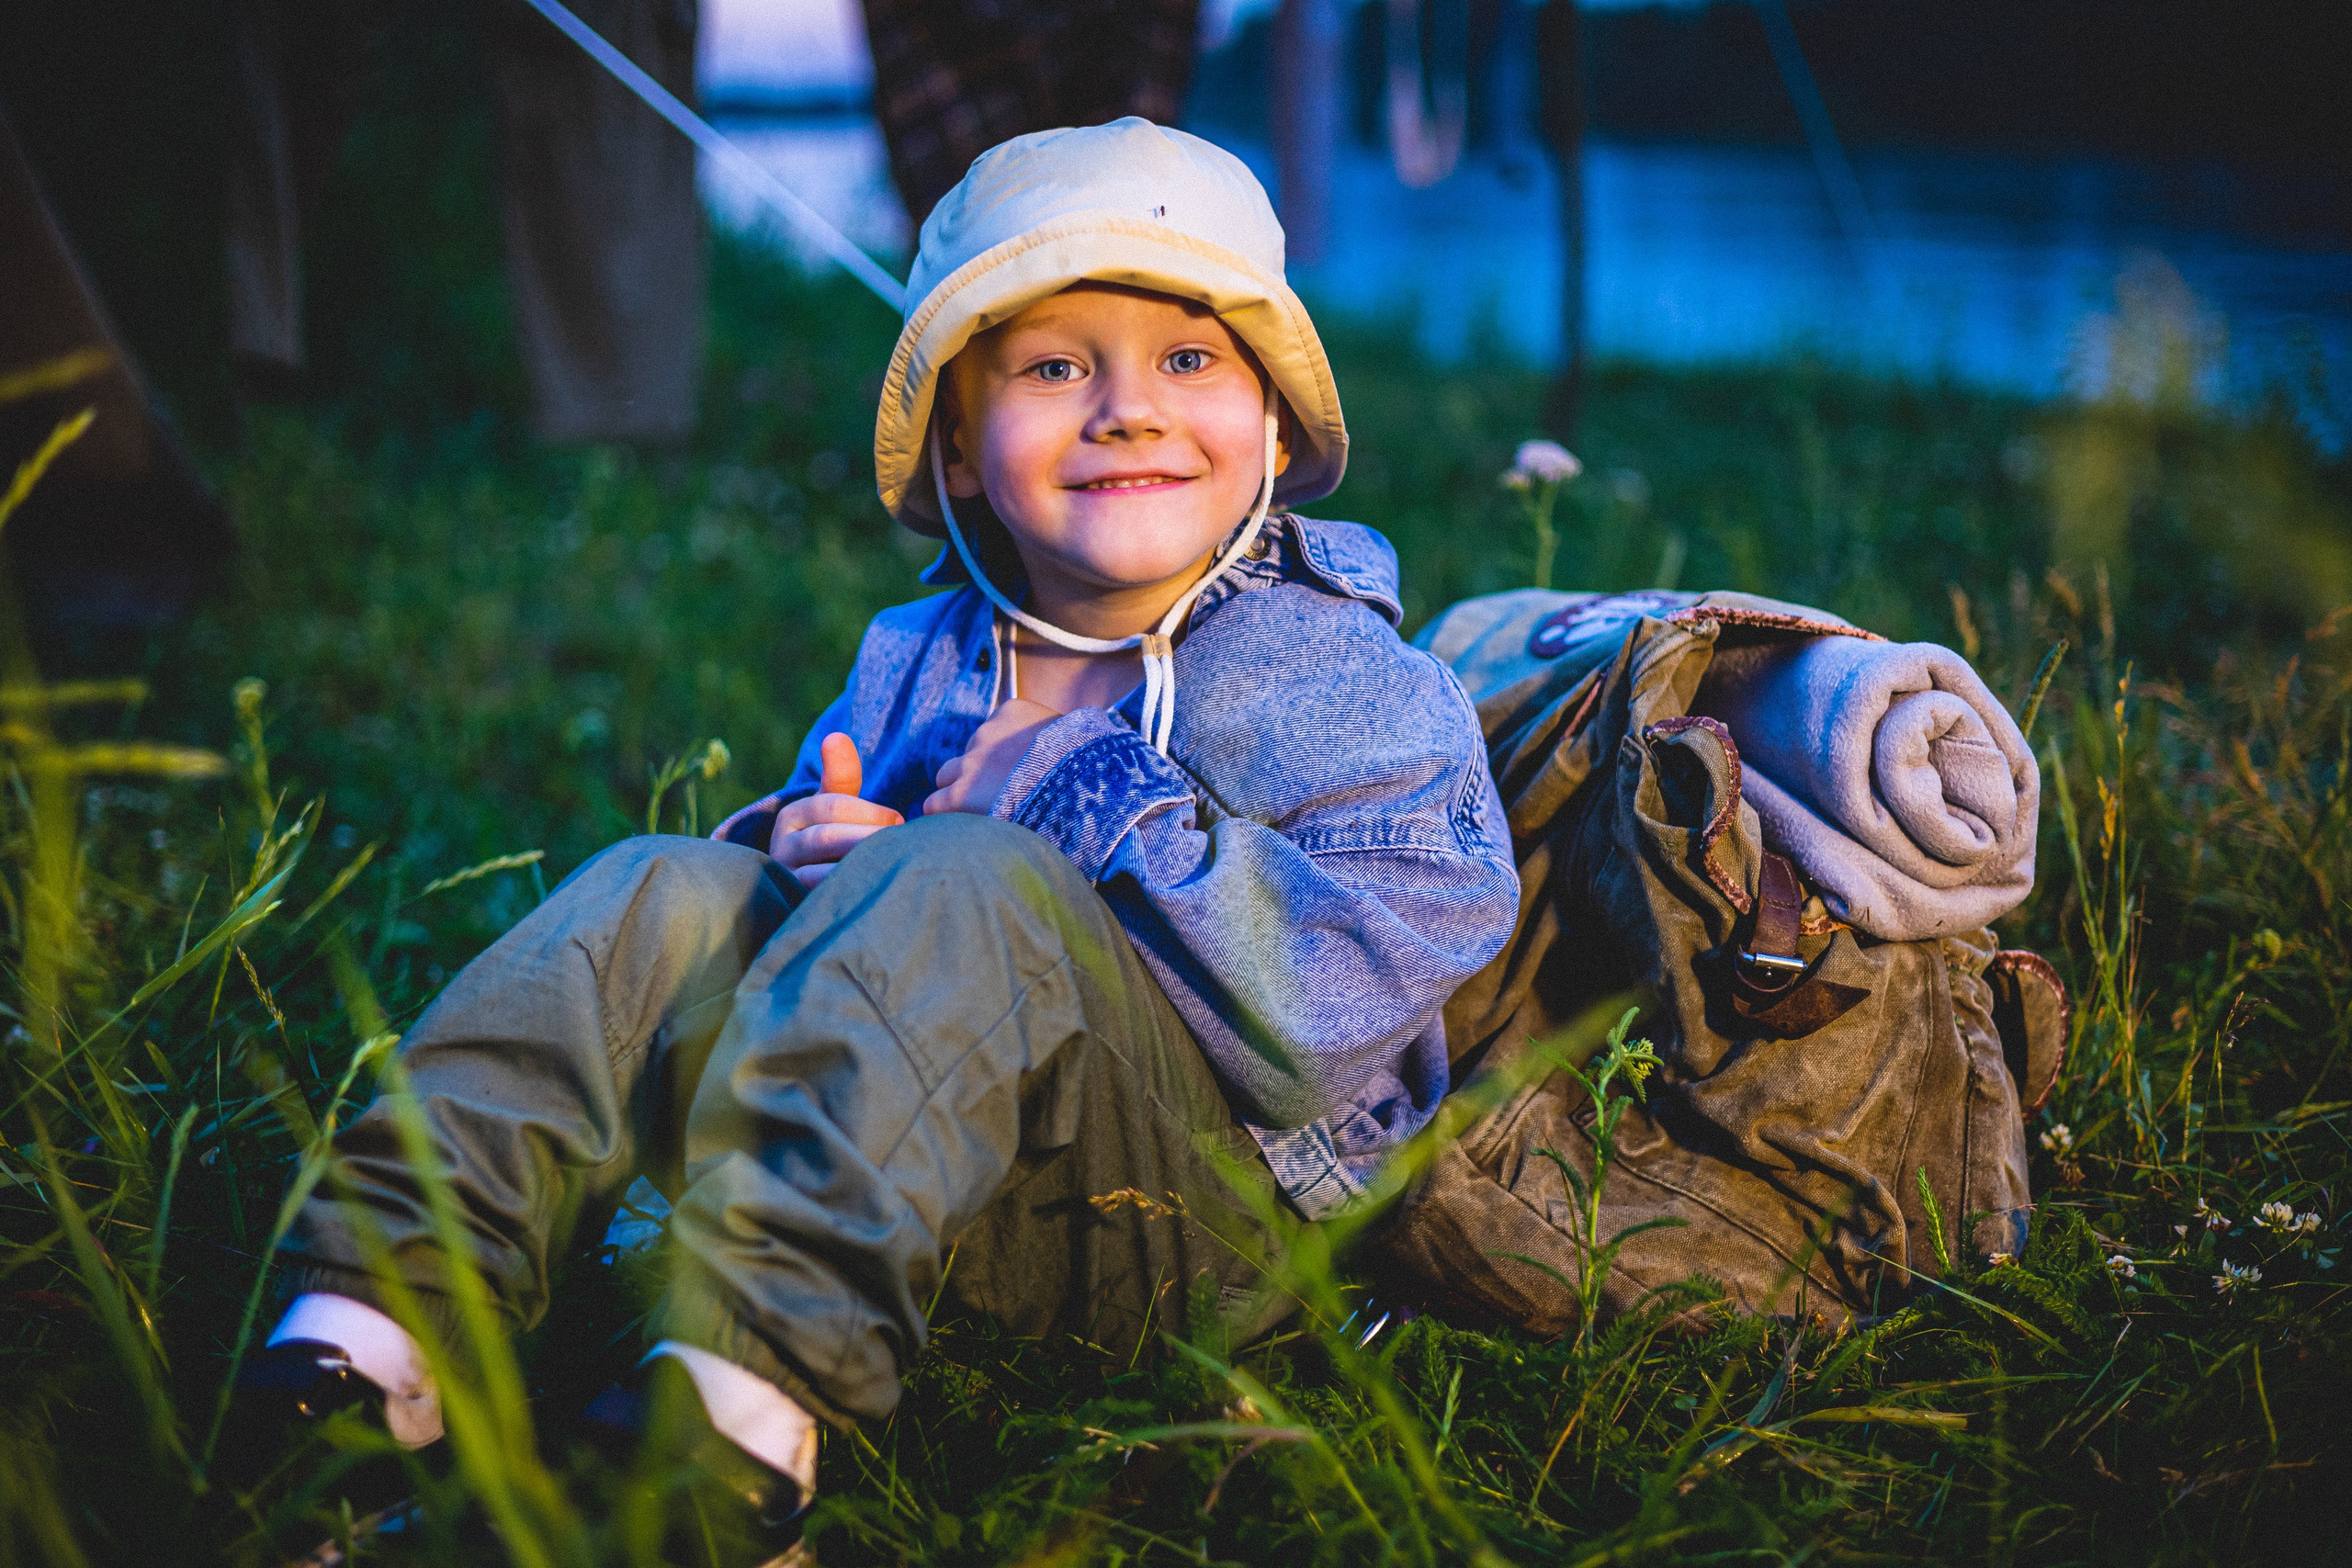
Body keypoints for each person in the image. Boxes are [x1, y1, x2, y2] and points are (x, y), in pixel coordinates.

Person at [236, 118, 1518, 1562]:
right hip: (920, 1179)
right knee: (674, 886)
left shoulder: (1340, 679)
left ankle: (731, 1425)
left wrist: (1079, 793)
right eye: (1051, 367)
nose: (1127, 410)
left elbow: (1324, 1020)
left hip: (1195, 1225)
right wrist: (806, 854)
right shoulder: (916, 659)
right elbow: (806, 926)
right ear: (963, 449)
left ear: (1275, 432)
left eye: (1189, 359)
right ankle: (357, 1346)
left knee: (970, 872)